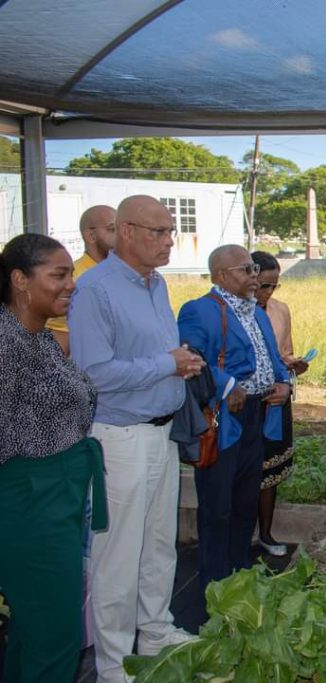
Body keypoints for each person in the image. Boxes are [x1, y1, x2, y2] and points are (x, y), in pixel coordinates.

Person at [69, 195, 203, 682]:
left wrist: (178, 363)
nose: (169, 241)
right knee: (118, 556)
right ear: (125, 231)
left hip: (161, 433)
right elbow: (94, 373)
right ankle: (112, 664)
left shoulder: (156, 283)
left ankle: (155, 630)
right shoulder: (95, 289)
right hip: (120, 438)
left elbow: (151, 355)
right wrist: (168, 363)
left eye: (170, 231)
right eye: (158, 232)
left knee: (159, 546)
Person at [0, 234, 106, 683]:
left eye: (72, 275)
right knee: (56, 635)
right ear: (20, 280)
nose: (71, 285)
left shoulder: (39, 338)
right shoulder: (6, 345)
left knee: (34, 631)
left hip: (57, 498)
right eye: (59, 275)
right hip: (29, 505)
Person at [178, 246, 291, 589]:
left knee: (245, 499)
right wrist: (227, 385)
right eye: (246, 270)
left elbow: (273, 357)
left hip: (258, 414)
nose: (254, 276)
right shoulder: (199, 311)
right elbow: (191, 357)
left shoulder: (257, 312)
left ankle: (240, 571)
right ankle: (214, 582)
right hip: (224, 419)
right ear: (220, 275)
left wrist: (284, 384)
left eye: (254, 269)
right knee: (218, 504)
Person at [250, 251, 309, 557]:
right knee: (246, 470)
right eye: (264, 286)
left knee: (271, 471)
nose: (269, 292)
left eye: (275, 286)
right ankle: (241, 535)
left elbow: (284, 353)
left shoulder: (280, 311)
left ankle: (266, 534)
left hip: (277, 400)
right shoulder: (235, 312)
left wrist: (294, 365)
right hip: (247, 404)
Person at [46, 204, 117, 355]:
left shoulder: (130, 276)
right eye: (112, 229)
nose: (121, 237)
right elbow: (59, 340)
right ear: (91, 236)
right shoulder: (73, 281)